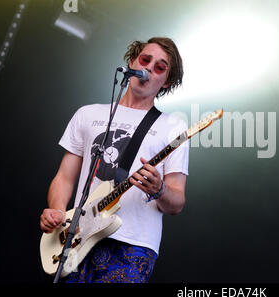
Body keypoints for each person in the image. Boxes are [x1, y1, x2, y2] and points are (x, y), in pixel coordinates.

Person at [39, 37, 188, 283]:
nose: (149, 68)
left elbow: (176, 202)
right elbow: (65, 177)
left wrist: (159, 189)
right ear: (132, 61)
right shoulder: (88, 114)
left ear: (167, 81)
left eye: (160, 67)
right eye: (145, 59)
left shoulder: (173, 126)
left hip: (132, 245)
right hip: (76, 237)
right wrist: (57, 212)